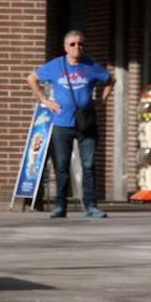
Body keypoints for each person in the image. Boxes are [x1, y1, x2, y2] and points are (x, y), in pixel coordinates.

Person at [27, 30, 113, 218]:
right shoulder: (56, 66)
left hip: (86, 122)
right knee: (62, 166)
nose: (77, 47)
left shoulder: (91, 66)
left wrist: (102, 100)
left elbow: (109, 80)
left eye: (80, 44)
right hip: (61, 122)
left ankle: (91, 206)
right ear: (66, 47)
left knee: (89, 165)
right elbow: (32, 78)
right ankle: (60, 206)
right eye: (73, 44)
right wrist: (45, 101)